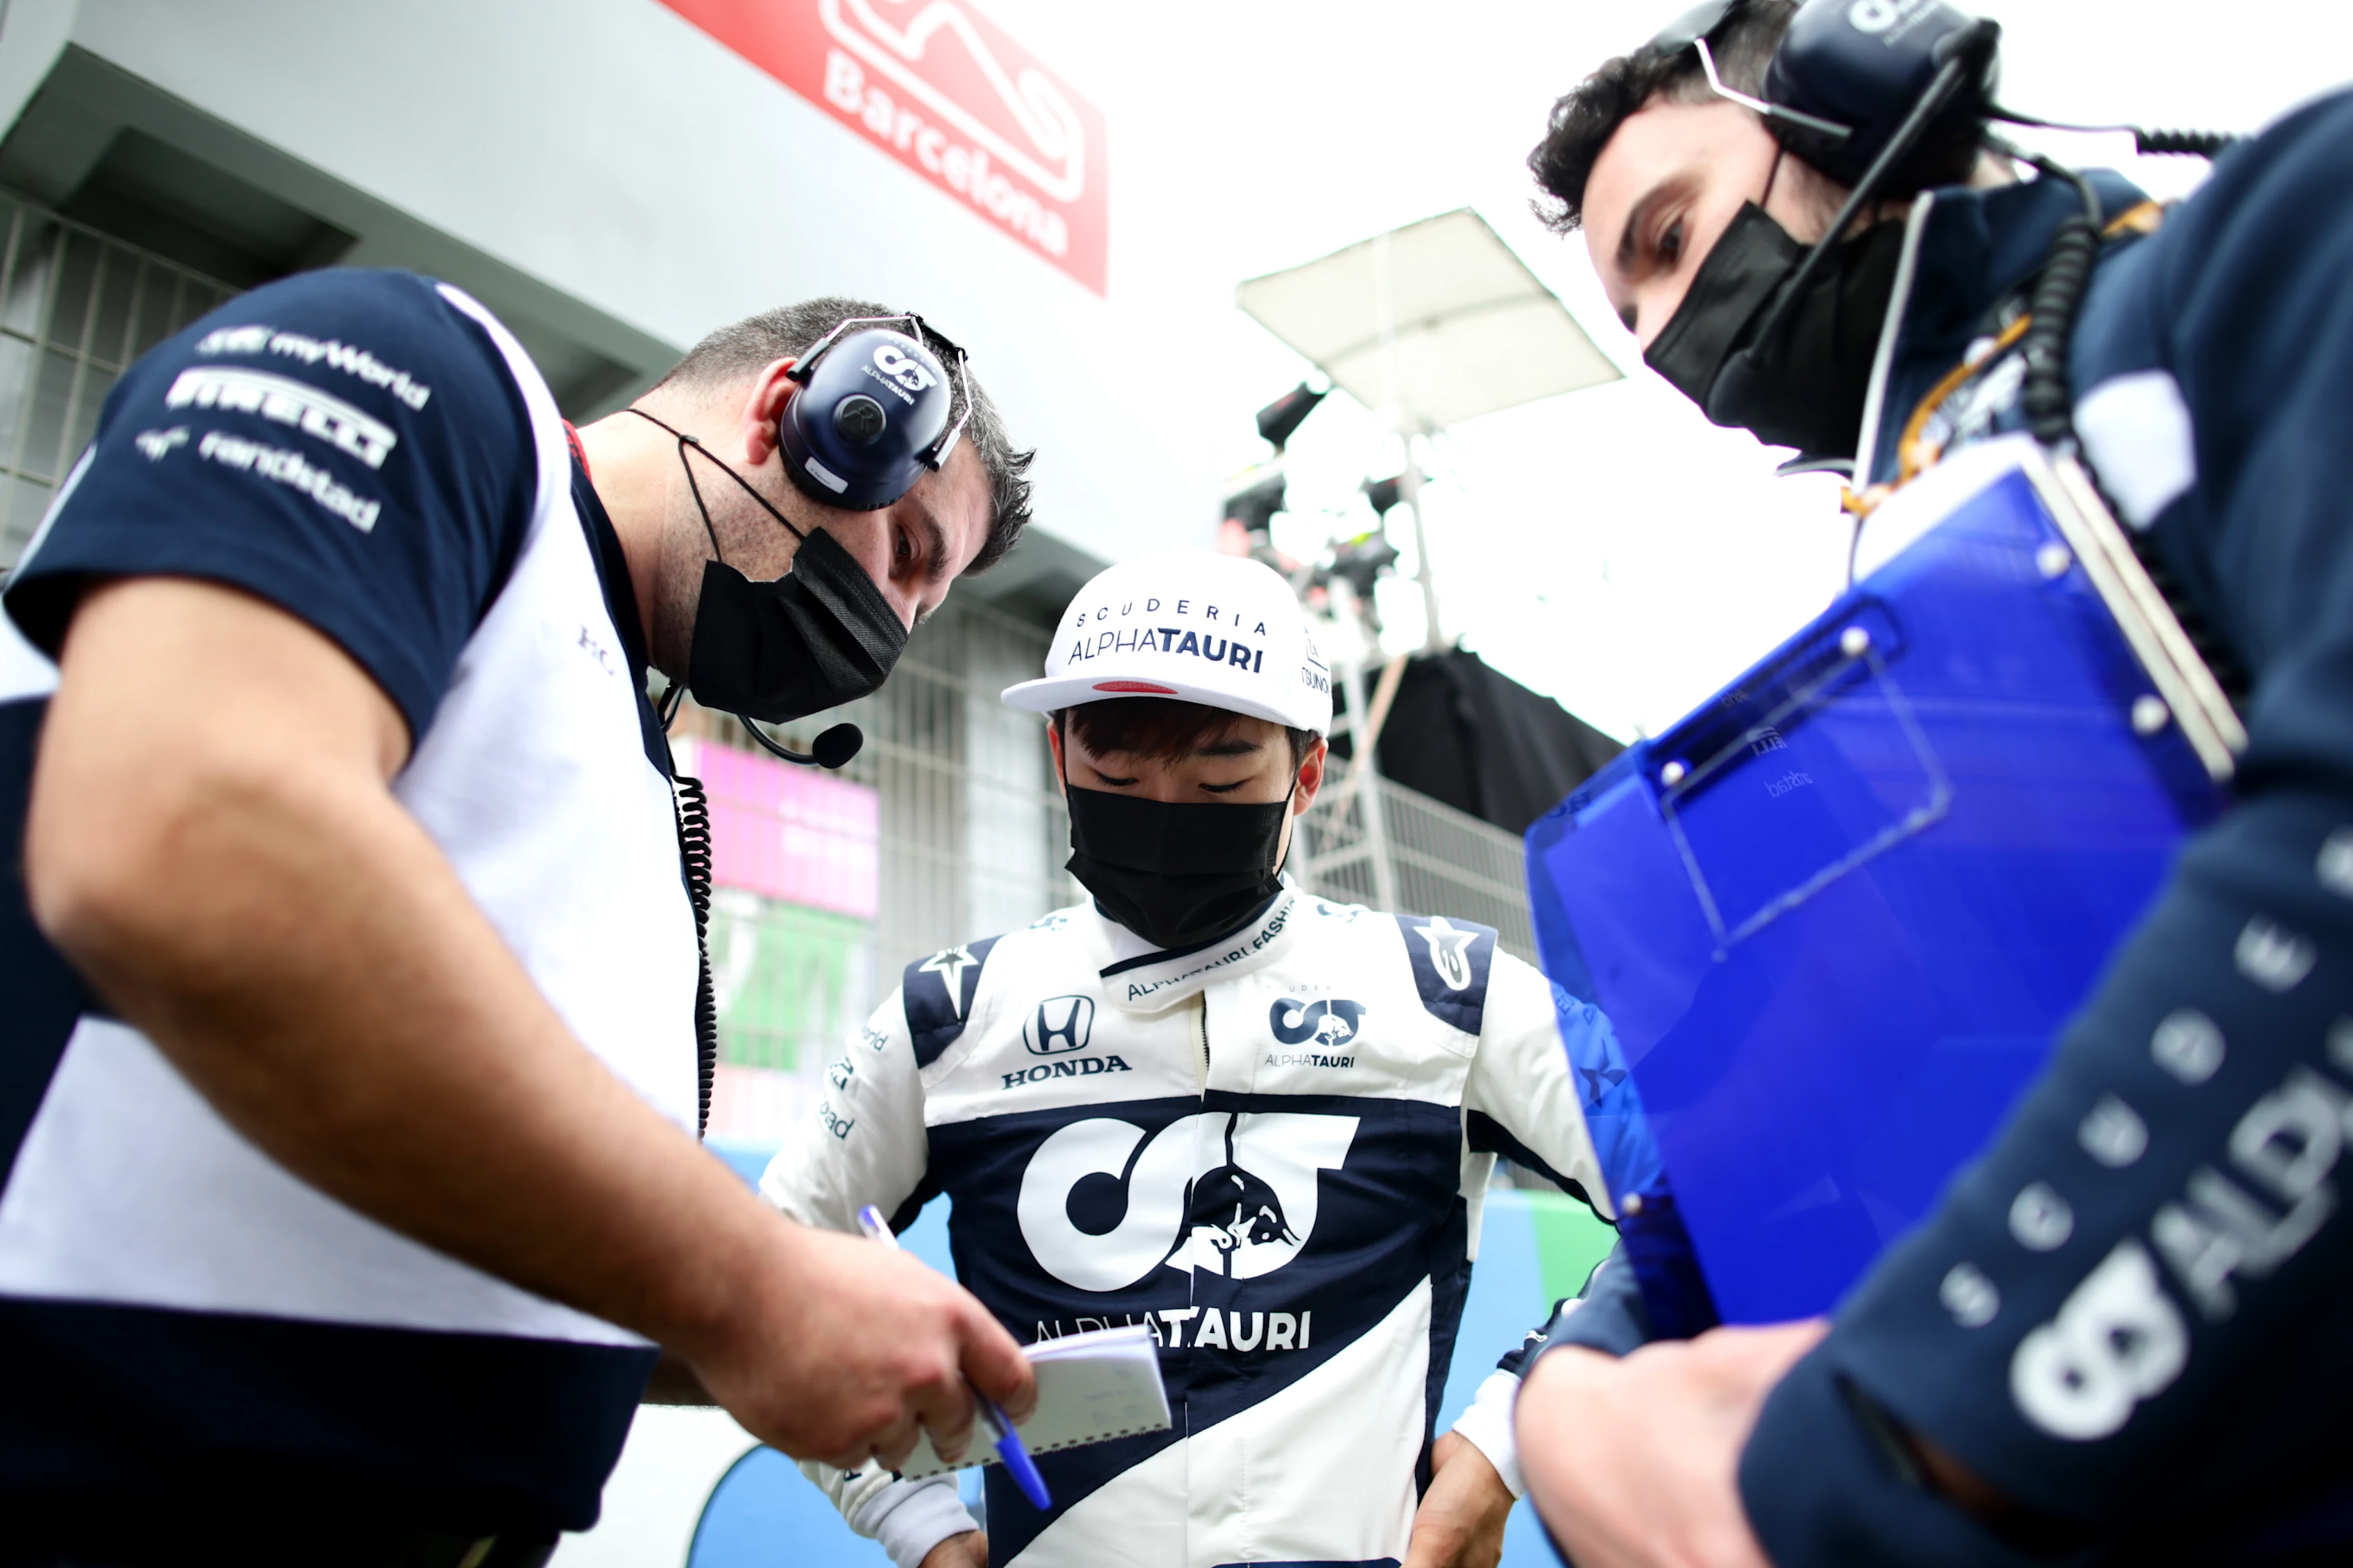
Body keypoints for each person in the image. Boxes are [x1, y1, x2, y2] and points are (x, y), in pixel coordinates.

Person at [0, 274, 1041, 1565]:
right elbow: (185, 839)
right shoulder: (427, 374)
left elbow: (468, 1187)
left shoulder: (626, 752)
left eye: (924, 612)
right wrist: (749, 1282)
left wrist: (812, 1329)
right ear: (808, 410)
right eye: (909, 556)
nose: (890, 624)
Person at [1510, 2, 2353, 1563]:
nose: (1672, 334)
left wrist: (1907, 1422)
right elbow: (1796, 1096)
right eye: (1634, 319)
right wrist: (1582, 1380)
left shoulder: (2277, 235)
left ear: (1853, 88)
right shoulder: (1875, 629)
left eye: (1672, 239)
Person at [757, 549, 1635, 1568]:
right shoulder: (949, 1017)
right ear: (1058, 754)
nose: (1167, 812)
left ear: (1307, 774)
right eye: (1116, 778)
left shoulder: (1451, 993)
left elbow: (1711, 1194)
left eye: (1221, 780)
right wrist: (915, 1524)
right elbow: (766, 1270)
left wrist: (1504, 1445)